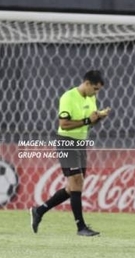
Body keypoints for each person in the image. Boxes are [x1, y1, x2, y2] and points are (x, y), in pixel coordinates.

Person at [30, 70, 110, 237]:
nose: (96, 93)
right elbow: (64, 124)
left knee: (73, 187)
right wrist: (89, 120)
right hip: (66, 142)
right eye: (95, 89)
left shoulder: (91, 98)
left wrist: (98, 118)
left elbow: (87, 124)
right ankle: (80, 227)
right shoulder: (68, 97)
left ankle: (39, 211)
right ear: (86, 83)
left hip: (81, 144)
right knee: (76, 182)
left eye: (98, 91)